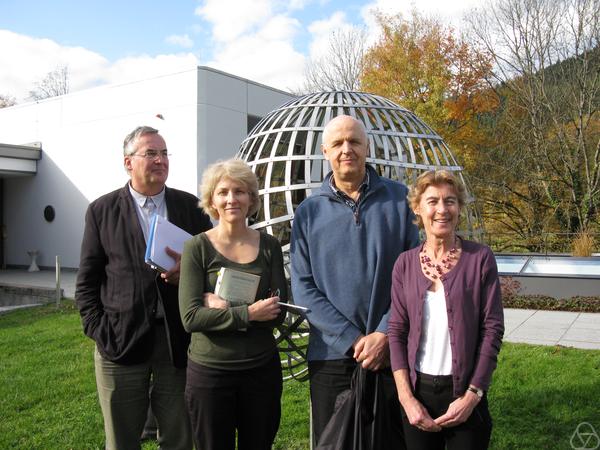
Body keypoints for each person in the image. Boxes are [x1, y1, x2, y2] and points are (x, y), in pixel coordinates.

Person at [75, 125, 212, 450]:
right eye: (151, 153)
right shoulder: (102, 211)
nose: (160, 160)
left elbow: (213, 267)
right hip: (119, 343)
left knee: (180, 437)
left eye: (164, 153)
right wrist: (99, 329)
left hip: (178, 341)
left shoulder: (190, 207)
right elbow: (87, 281)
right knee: (121, 440)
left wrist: (188, 276)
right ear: (128, 162)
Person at [290, 115, 420, 446]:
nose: (346, 149)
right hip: (330, 355)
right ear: (325, 151)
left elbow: (415, 276)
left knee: (391, 441)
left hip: (392, 352)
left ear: (367, 146)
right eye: (337, 143)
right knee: (334, 442)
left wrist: (384, 333)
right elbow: (303, 287)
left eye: (354, 141)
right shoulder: (308, 212)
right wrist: (352, 338)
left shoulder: (400, 200)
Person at [388, 169, 504, 450]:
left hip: (466, 390)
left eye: (450, 201)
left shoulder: (480, 259)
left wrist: (473, 395)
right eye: (432, 201)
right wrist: (406, 398)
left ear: (459, 208)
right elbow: (396, 332)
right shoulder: (404, 264)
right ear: (418, 208)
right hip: (419, 394)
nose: (442, 209)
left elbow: (492, 329)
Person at [178, 158, 287, 450]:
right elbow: (191, 318)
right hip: (210, 374)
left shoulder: (269, 246)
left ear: (251, 198)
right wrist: (250, 313)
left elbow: (278, 310)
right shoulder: (196, 247)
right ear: (212, 200)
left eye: (239, 191)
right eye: (223, 192)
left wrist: (223, 307)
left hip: (261, 371)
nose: (231, 199)